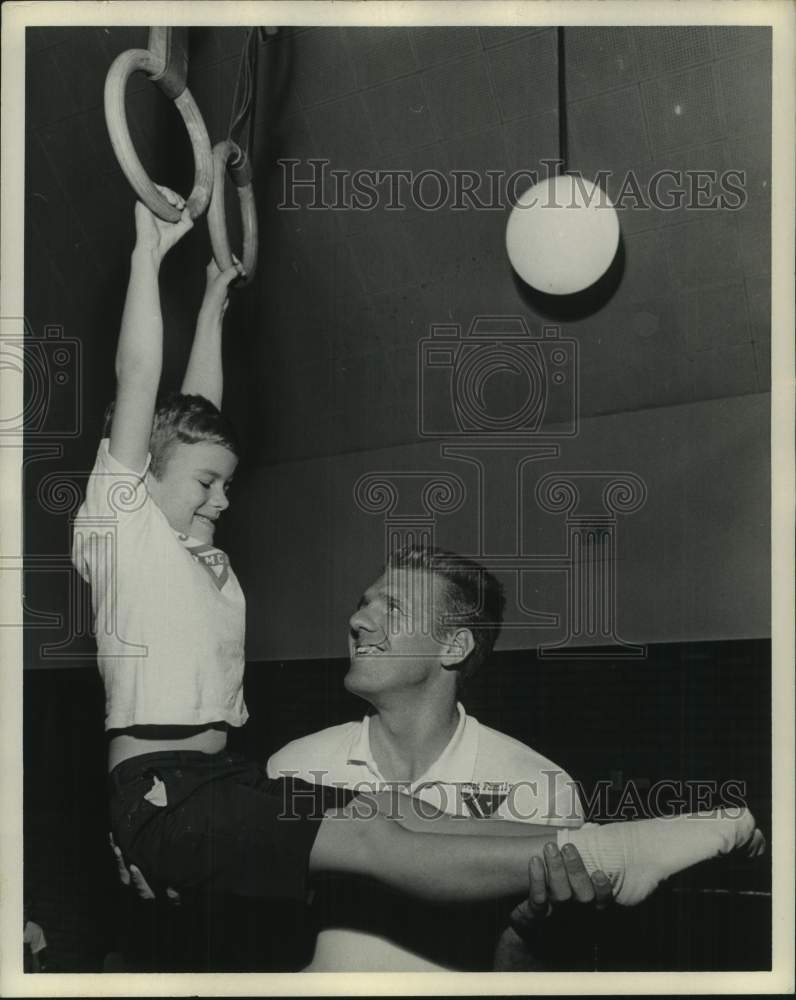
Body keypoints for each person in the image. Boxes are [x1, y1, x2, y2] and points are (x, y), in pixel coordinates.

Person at [79, 189, 764, 940]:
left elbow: (196, 413)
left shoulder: (190, 548)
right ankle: (617, 851)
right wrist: (148, 255)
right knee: (373, 836)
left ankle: (602, 848)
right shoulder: (124, 524)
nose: (222, 501)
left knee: (393, 809)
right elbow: (140, 386)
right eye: (207, 486)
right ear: (139, 467)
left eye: (227, 484)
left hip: (215, 778)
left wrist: (213, 301)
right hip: (159, 789)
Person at [266, 545, 603, 970]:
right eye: (363, 604)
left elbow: (538, 973)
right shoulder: (294, 766)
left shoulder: (538, 788)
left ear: (454, 646)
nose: (358, 621)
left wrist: (523, 933)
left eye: (393, 608)